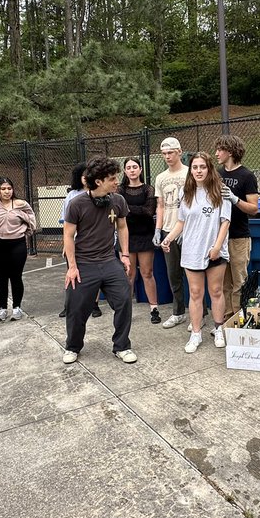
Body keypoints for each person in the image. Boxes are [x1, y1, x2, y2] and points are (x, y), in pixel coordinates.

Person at [61, 156, 137, 365]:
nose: (116, 182)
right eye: (112, 179)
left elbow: (122, 227)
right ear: (98, 182)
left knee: (123, 300)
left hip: (109, 260)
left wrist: (125, 254)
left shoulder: (118, 200)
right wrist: (72, 267)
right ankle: (73, 346)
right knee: (75, 308)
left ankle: (122, 346)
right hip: (84, 263)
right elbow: (67, 235)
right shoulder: (77, 203)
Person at [161, 152, 231, 353]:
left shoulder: (220, 191)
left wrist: (217, 247)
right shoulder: (186, 193)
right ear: (190, 170)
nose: (199, 171)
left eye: (202, 167)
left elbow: (225, 221)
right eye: (195, 167)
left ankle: (219, 329)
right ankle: (196, 333)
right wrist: (169, 238)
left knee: (216, 291)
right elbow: (181, 222)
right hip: (191, 250)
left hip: (214, 252)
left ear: (209, 168)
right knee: (195, 293)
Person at [214, 134, 260, 317]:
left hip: (239, 236)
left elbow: (254, 209)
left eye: (220, 150)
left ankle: (239, 317)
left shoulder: (247, 176)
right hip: (220, 237)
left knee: (239, 281)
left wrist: (234, 199)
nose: (216, 153)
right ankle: (226, 317)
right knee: (223, 282)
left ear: (230, 151)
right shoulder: (218, 174)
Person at [0, 177, 36, 322]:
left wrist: (26, 233)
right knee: (1, 278)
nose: (7, 192)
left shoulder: (21, 204)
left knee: (16, 276)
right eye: (3, 189)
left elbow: (32, 219)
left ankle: (17, 307)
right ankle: (2, 309)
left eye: (9, 188)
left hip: (17, 244)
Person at [153, 137, 189, 330]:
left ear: (179, 152)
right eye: (164, 153)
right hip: (168, 229)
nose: (167, 156)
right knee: (173, 273)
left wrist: (187, 228)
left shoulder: (190, 173)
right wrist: (158, 229)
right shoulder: (160, 178)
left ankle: (199, 313)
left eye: (171, 152)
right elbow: (160, 206)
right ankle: (178, 313)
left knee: (194, 274)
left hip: (189, 230)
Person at [121, 156, 161, 324]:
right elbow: (121, 211)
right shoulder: (120, 190)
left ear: (140, 170)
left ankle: (154, 309)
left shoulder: (148, 189)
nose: (132, 170)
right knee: (129, 274)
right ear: (124, 171)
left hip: (145, 235)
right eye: (129, 167)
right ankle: (125, 310)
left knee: (147, 273)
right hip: (126, 237)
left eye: (135, 167)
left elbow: (148, 211)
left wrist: (129, 209)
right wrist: (137, 210)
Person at [59, 161, 100, 319]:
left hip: (92, 242)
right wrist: (65, 244)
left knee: (94, 273)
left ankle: (94, 304)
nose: (85, 178)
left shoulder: (98, 193)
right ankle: (69, 304)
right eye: (83, 176)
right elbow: (65, 223)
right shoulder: (72, 195)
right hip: (74, 242)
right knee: (71, 271)